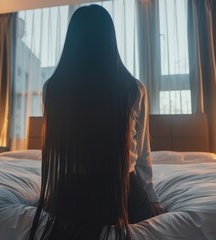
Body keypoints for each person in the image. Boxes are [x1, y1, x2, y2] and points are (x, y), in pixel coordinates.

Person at [29, 5, 164, 240]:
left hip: (70, 195)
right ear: (110, 39)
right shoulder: (132, 88)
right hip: (122, 195)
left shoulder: (53, 88)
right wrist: (152, 198)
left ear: (72, 40)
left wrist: (53, 194)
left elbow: (56, 152)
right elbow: (143, 154)